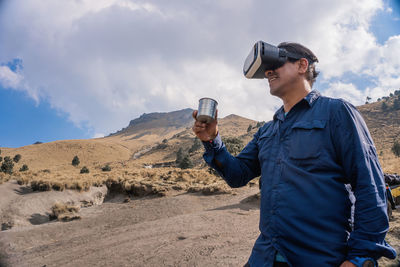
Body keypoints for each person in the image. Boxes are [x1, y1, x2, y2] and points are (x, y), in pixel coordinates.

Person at [192, 42, 396, 267]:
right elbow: (236, 174)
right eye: (266, 69)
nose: (268, 72)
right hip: (265, 257)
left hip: (320, 257)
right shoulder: (268, 130)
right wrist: (212, 140)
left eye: (276, 64)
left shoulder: (337, 113)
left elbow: (370, 185)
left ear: (302, 65)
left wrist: (360, 258)